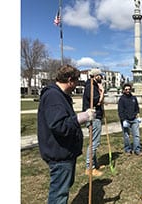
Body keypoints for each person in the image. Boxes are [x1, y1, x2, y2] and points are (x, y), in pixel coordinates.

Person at [37, 64, 95, 204]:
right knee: (59, 194)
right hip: (59, 153)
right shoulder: (53, 96)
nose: (76, 85)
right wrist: (82, 117)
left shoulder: (60, 95)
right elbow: (59, 126)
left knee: (63, 187)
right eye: (76, 82)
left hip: (64, 152)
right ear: (70, 80)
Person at [82, 68, 106, 176]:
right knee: (94, 143)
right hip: (93, 117)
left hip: (96, 116)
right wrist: (102, 92)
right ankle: (89, 168)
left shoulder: (93, 86)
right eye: (100, 75)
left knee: (94, 141)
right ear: (95, 76)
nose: (101, 77)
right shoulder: (90, 87)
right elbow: (96, 101)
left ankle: (95, 164)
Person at [117, 83, 142, 156]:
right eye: (126, 89)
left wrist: (138, 116)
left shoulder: (133, 98)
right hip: (125, 120)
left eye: (129, 89)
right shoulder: (121, 99)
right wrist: (123, 120)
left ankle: (137, 150)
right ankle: (128, 149)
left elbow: (137, 108)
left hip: (134, 119)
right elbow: (120, 111)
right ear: (123, 90)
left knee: (136, 135)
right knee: (126, 136)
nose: (128, 91)